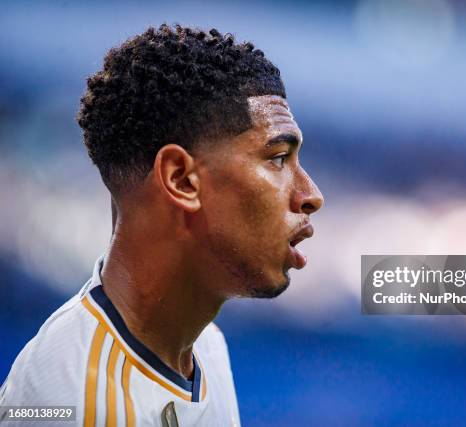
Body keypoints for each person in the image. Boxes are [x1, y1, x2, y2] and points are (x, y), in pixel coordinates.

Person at [0, 24, 323, 426]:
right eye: (277, 158)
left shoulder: (206, 346)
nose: (311, 194)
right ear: (181, 180)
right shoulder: (68, 401)